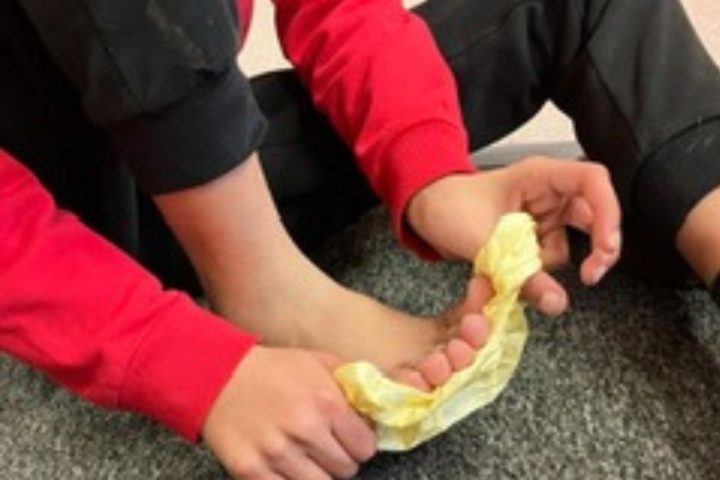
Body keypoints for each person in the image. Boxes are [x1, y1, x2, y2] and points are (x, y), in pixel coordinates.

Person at [0, 0, 715, 479]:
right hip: (65, 219)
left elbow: (337, 9)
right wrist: (185, 361)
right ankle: (262, 283)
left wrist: (433, 174)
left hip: (206, 151)